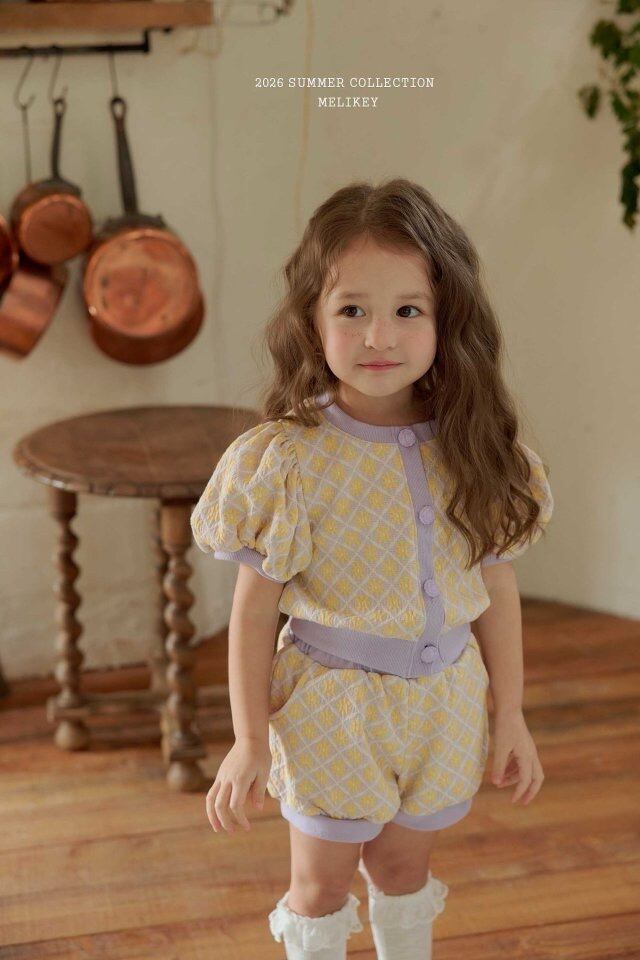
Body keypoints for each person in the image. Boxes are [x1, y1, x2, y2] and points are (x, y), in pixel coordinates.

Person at [190, 177, 554, 960]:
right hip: (332, 708)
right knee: (320, 884)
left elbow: (495, 588)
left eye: (408, 310)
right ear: (312, 320)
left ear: (448, 318)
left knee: (400, 870)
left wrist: (512, 713)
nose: (378, 335)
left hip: (445, 706)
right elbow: (254, 611)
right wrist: (249, 740)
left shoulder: (478, 448)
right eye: (352, 310)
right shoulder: (288, 460)